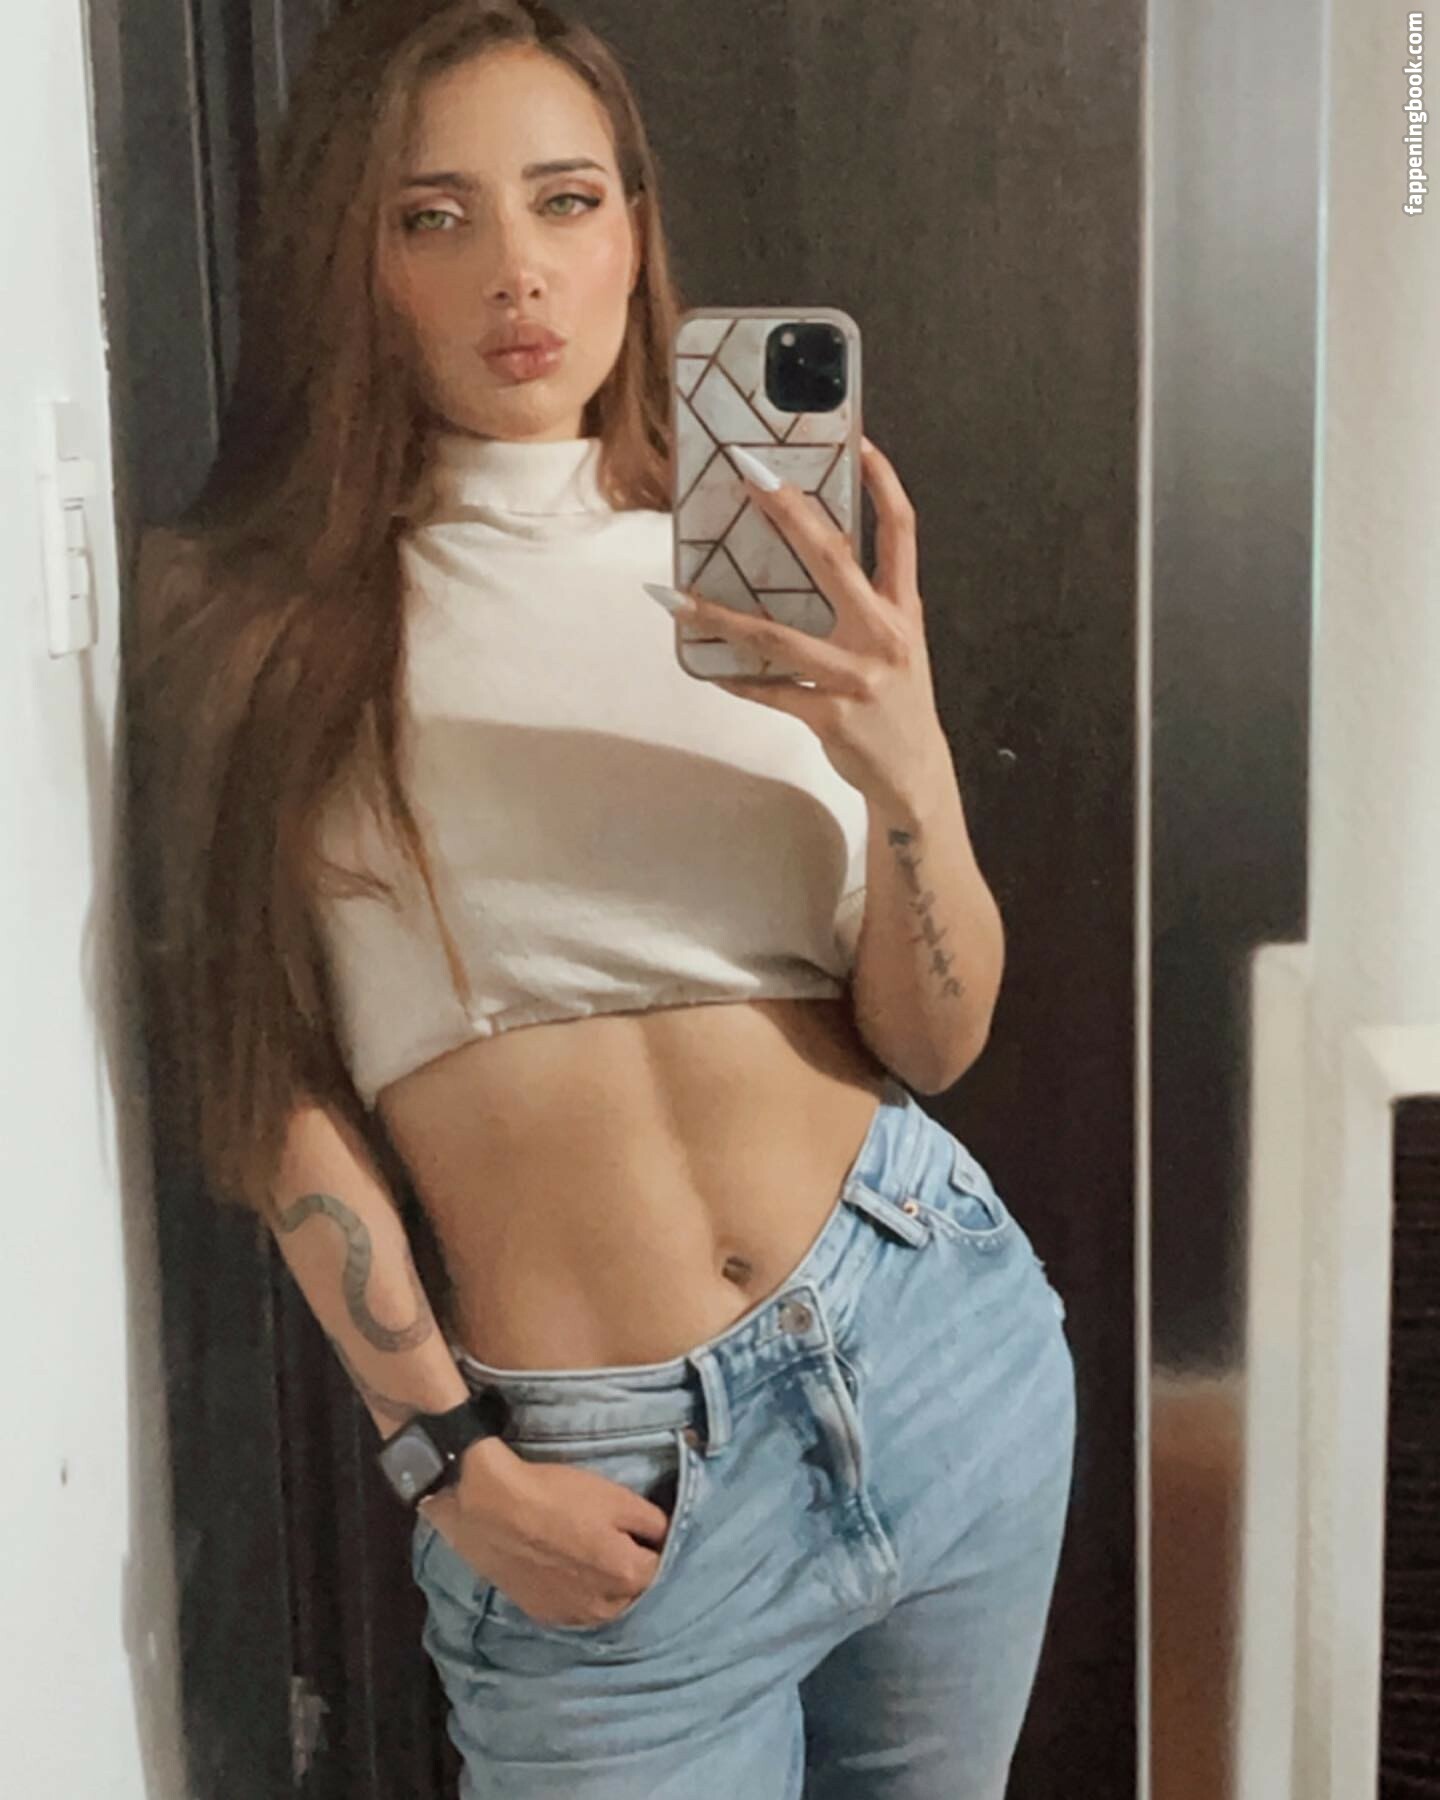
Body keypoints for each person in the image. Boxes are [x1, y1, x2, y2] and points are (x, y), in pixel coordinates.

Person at [127, 3, 1076, 1795]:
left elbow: (937, 1039)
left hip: (942, 1352)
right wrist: (448, 1462)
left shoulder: (755, 576)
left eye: (566, 201)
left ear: (635, 234)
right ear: (356, 261)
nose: (517, 270)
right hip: (601, 1494)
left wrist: (909, 767)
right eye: (435, 217)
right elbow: (264, 1088)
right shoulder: (253, 624)